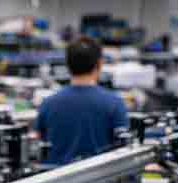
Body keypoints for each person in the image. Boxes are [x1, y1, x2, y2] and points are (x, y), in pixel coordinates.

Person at [35, 36, 129, 165]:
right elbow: (123, 149)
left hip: (57, 176)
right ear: (99, 64)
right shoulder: (114, 104)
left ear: (67, 64)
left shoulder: (48, 104)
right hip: (100, 176)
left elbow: (39, 145)